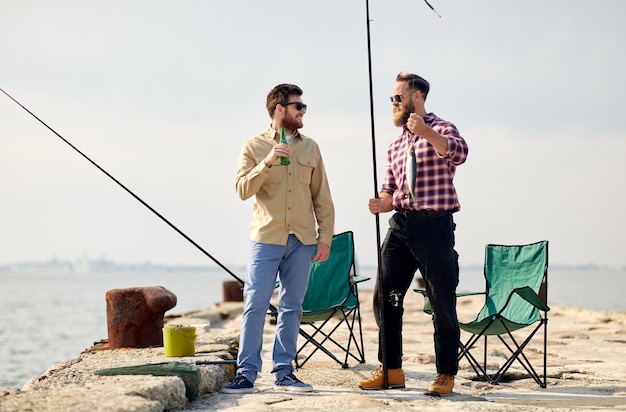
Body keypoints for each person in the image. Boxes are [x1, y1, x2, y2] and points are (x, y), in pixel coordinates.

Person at [357, 72, 468, 396]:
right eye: (392, 98)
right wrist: (383, 203)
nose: (393, 103)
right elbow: (391, 191)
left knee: (441, 301)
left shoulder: (442, 128)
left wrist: (427, 133)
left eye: (397, 97)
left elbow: (459, 153)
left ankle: (445, 373)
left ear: (416, 96)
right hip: (401, 227)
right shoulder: (395, 145)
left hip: (435, 226)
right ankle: (391, 369)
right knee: (385, 298)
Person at [223, 83, 335, 394]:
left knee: (292, 306)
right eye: (298, 106)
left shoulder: (311, 148)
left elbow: (322, 198)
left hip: (302, 240)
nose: (303, 112)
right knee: (255, 305)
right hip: (266, 237)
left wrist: (324, 239)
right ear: (279, 109)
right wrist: (268, 161)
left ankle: (284, 371)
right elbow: (242, 190)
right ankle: (246, 373)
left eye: (304, 106)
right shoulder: (254, 146)